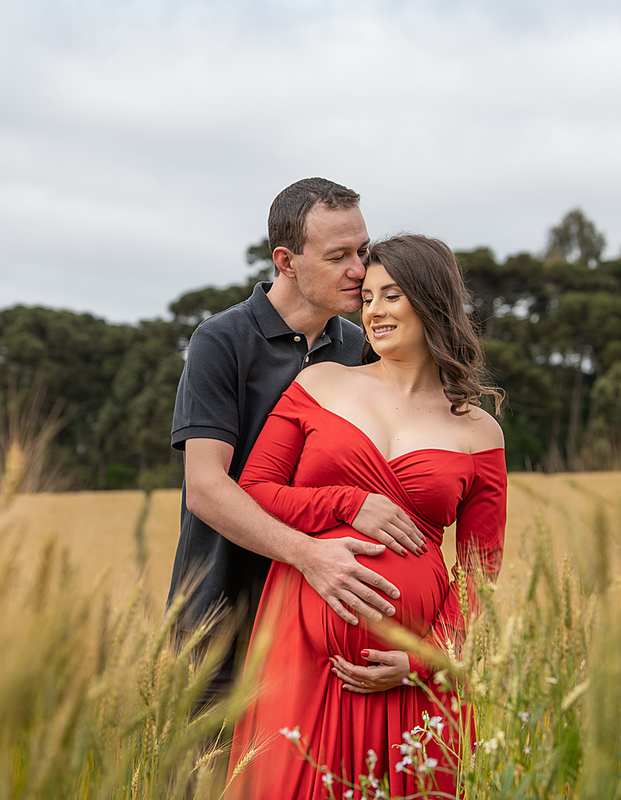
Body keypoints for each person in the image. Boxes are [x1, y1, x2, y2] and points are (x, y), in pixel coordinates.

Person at [226, 234, 507, 799]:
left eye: (392, 295)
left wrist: (425, 660)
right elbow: (255, 489)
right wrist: (347, 502)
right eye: (369, 296)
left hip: (410, 673)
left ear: (431, 303)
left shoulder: (479, 430)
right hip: (304, 650)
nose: (374, 311)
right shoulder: (321, 385)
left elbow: (481, 569)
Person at [167, 178, 426, 705]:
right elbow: (207, 488)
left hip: (322, 621)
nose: (360, 270)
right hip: (221, 621)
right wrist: (310, 555)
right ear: (286, 261)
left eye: (363, 251)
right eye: (338, 256)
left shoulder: (359, 347)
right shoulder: (222, 341)